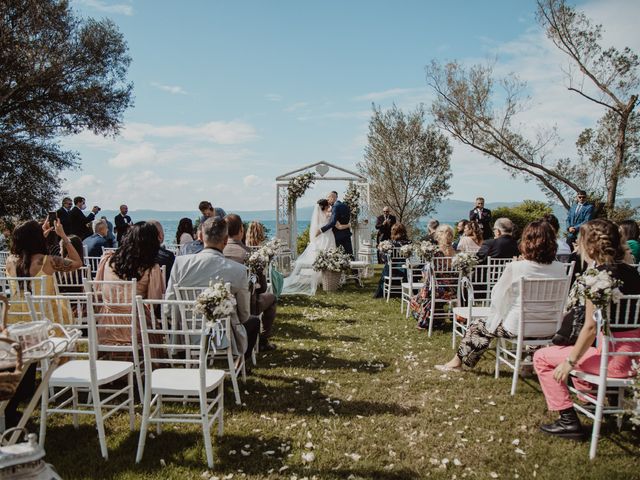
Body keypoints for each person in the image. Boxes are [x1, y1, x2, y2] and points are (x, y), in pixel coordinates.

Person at [533, 219, 640, 439]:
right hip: (636, 358)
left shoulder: (597, 277)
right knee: (580, 349)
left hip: (613, 361)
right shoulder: (634, 273)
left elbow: (590, 328)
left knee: (542, 357)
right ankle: (590, 403)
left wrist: (569, 362)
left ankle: (568, 421)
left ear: (590, 247)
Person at [435, 221, 566, 371]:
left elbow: (497, 295)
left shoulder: (516, 267)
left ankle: (456, 363)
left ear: (527, 242)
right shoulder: (560, 268)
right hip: (550, 327)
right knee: (518, 328)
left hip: (517, 326)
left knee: (477, 326)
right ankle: (528, 366)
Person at [4, 218, 82, 428]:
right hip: (40, 324)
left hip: (13, 321)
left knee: (21, 368)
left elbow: (27, 255)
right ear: (36, 239)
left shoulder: (10, 261)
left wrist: (41, 235)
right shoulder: (47, 261)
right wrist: (64, 237)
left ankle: (12, 406)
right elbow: (77, 263)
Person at [166, 217, 259, 363]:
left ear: (201, 236)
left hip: (186, 335)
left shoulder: (180, 264)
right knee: (254, 322)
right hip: (224, 337)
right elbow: (244, 315)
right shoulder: (239, 271)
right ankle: (238, 364)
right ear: (226, 239)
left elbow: (168, 306)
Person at [94, 222, 165, 347]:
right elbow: (154, 301)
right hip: (137, 327)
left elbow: (98, 291)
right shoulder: (151, 268)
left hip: (107, 325)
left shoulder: (108, 260)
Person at [223, 214, 278, 351]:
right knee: (272, 298)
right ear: (241, 230)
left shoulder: (219, 253)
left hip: (220, 305)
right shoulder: (249, 255)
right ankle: (263, 340)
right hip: (246, 306)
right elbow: (262, 288)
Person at [410, 225, 458, 330]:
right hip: (455, 289)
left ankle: (425, 321)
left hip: (438, 290)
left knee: (420, 296)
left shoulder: (435, 253)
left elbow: (427, 273)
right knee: (427, 291)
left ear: (438, 236)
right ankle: (437, 320)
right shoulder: (456, 252)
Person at [373, 223, 411, 299]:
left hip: (392, 271)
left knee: (387, 265)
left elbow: (384, 259)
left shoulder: (390, 244)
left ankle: (381, 291)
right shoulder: (409, 243)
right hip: (406, 271)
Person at [318, 191, 353, 257]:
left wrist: (321, 230)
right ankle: (354, 267)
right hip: (346, 233)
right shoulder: (345, 206)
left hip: (337, 235)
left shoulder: (335, 207)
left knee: (338, 256)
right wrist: (349, 225)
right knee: (350, 254)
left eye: (328, 198)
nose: (328, 200)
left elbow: (333, 222)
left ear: (332, 197)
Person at [148, 220, 175, 285]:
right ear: (160, 235)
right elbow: (172, 281)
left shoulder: (134, 257)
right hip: (162, 292)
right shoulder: (167, 256)